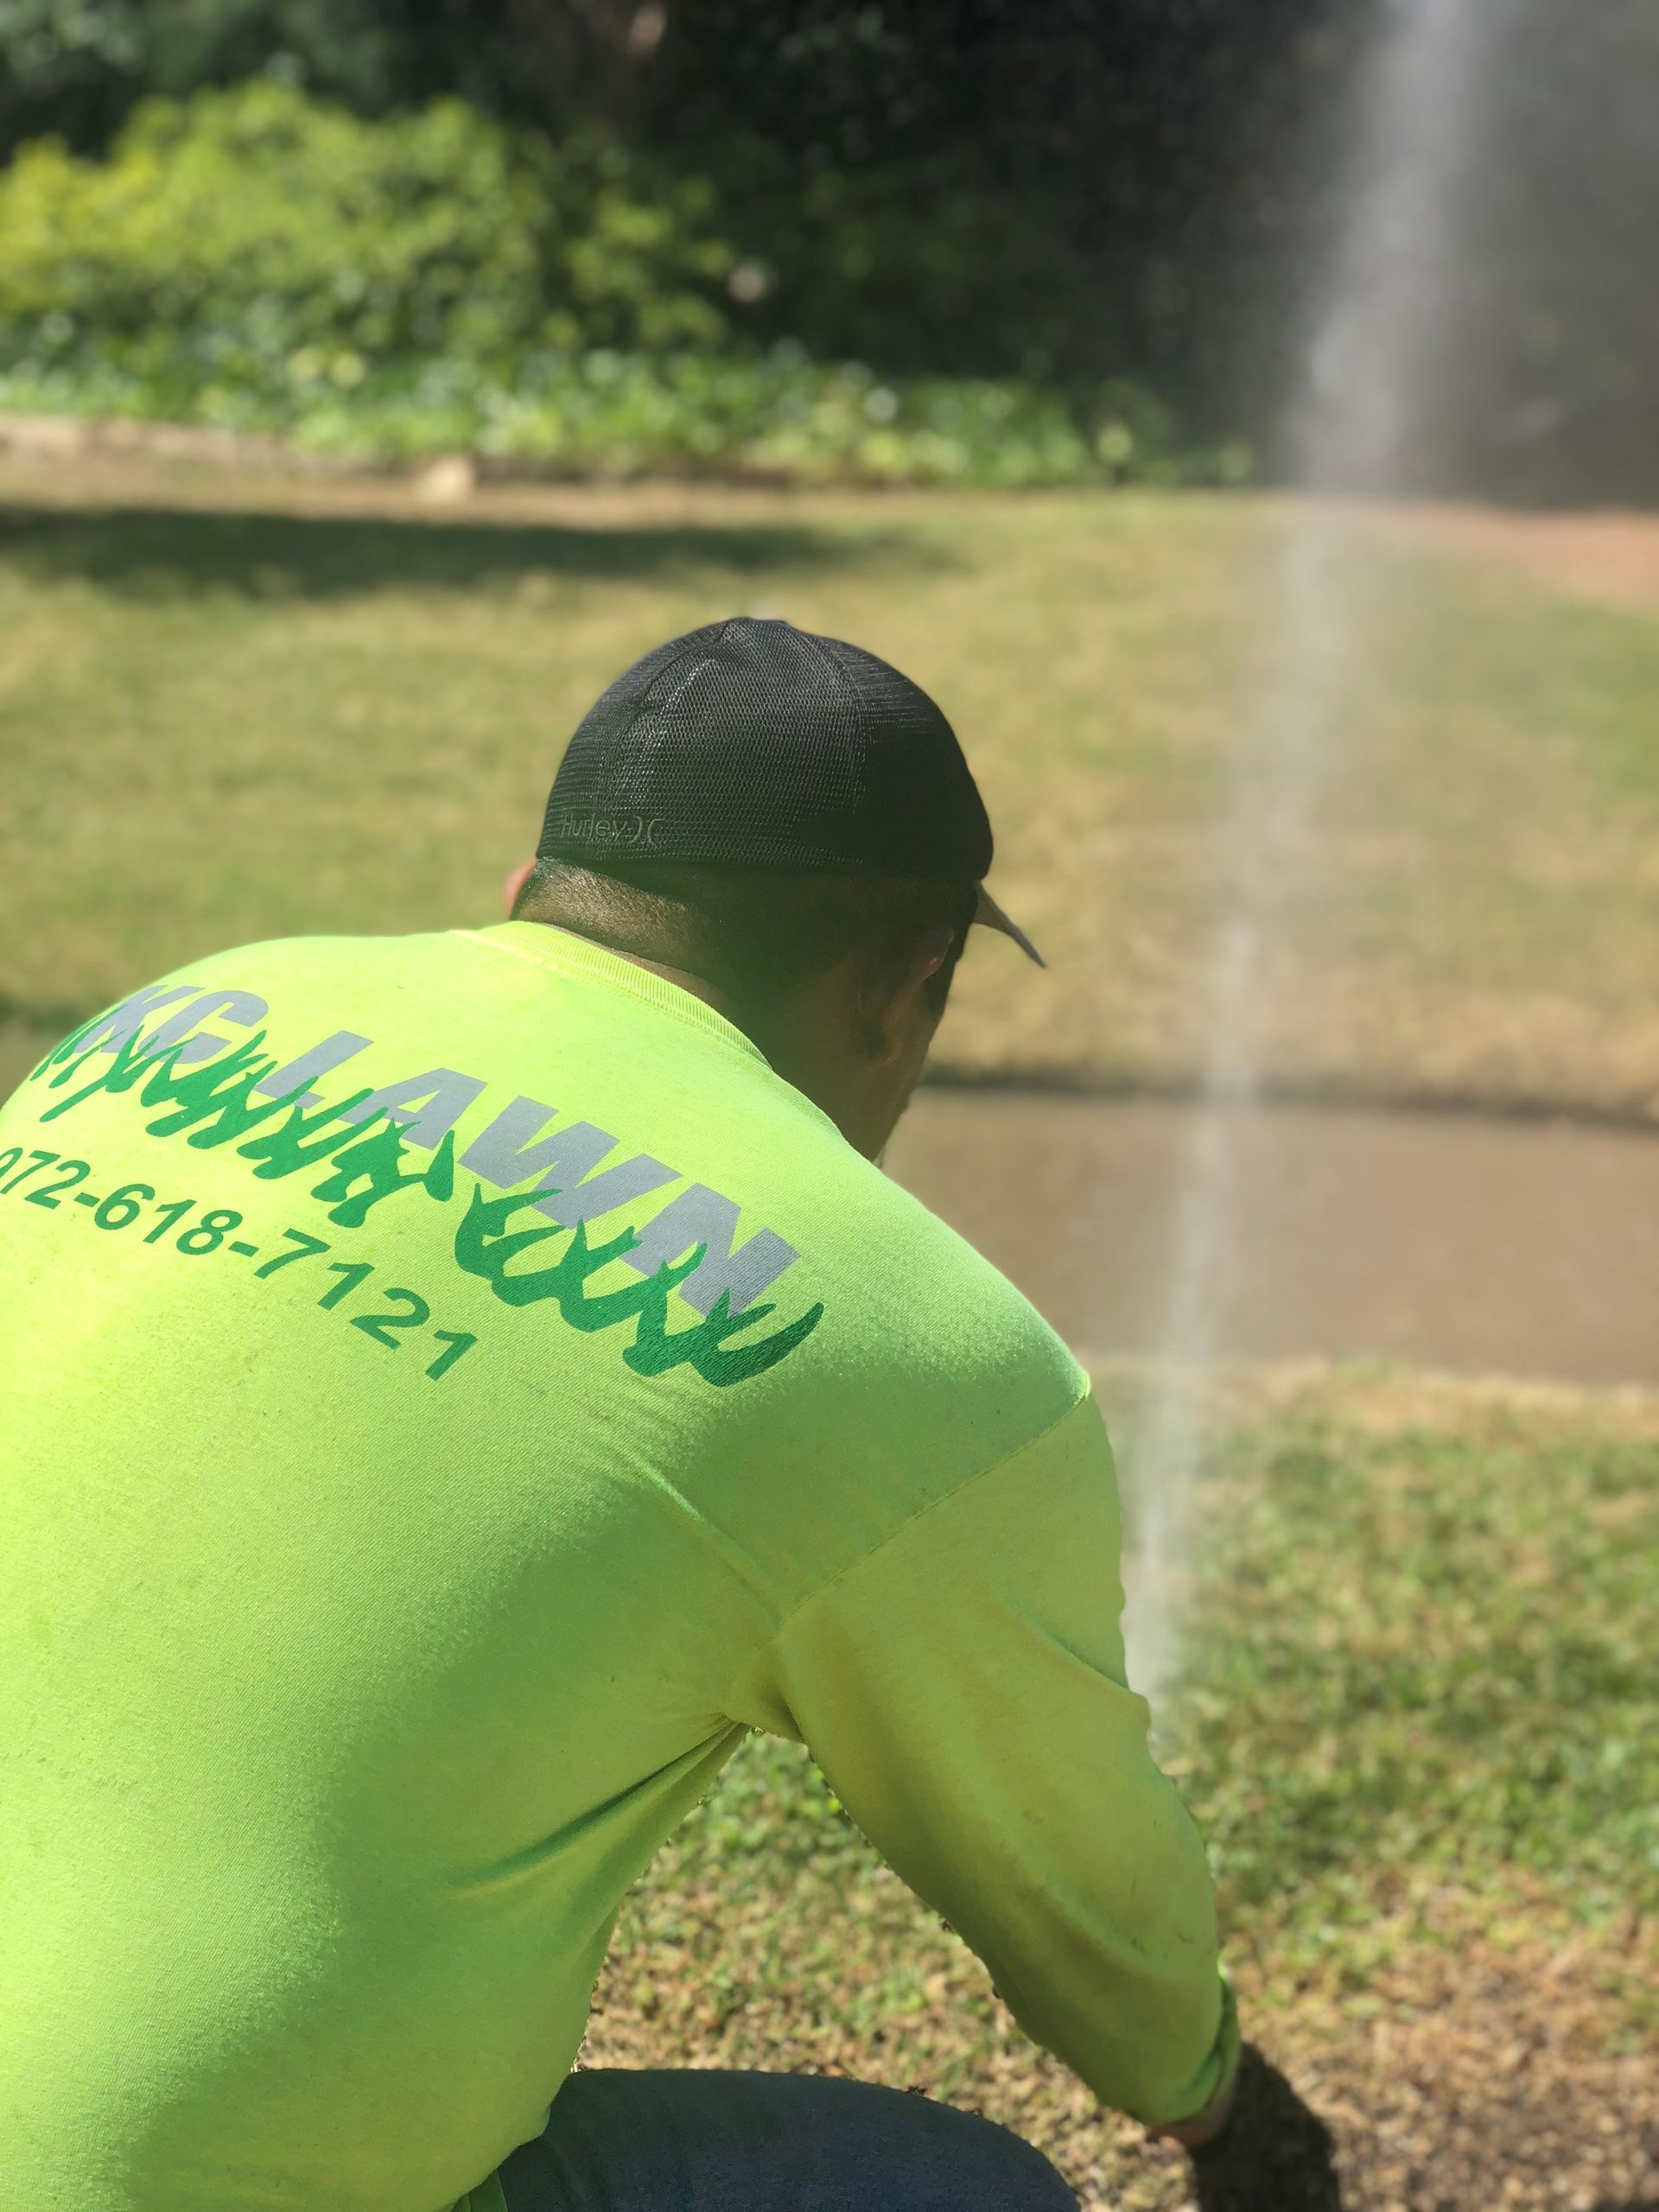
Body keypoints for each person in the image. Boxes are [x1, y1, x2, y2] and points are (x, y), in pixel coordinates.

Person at [0, 617, 1240, 2211]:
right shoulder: (914, 1343)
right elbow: (1086, 1900)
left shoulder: (189, 1011)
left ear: (528, 901)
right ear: (908, 987)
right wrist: (1213, 2098)